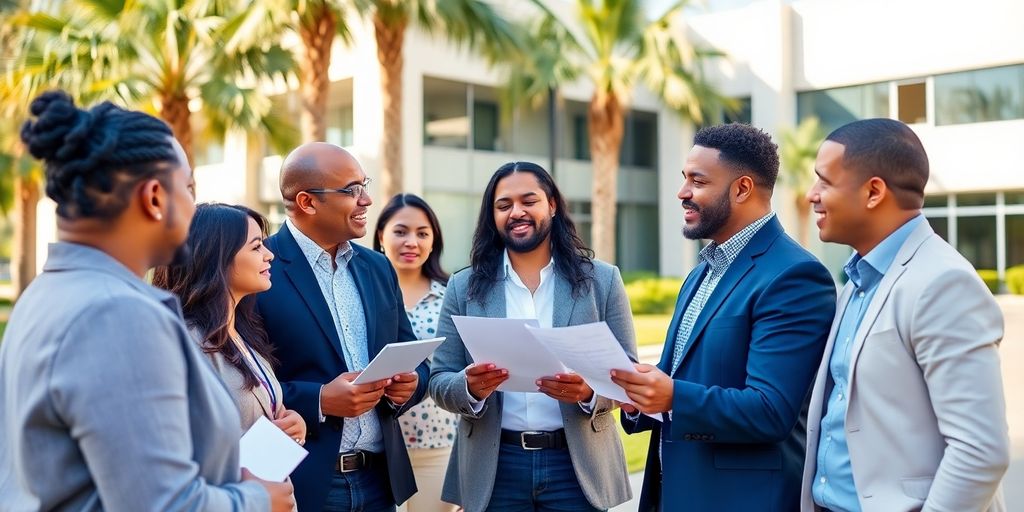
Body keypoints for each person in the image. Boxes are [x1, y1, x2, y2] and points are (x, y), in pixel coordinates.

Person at [0, 91, 293, 511]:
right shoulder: (118, 314)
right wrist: (256, 500)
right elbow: (162, 504)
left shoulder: (46, 295)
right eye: (188, 187)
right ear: (155, 197)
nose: (194, 205)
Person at [611, 123, 837, 511]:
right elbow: (676, 380)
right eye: (684, 179)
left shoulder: (795, 276)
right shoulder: (701, 272)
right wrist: (637, 399)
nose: (683, 193)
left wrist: (672, 396)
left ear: (742, 188)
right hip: (673, 495)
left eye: (697, 181)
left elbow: (770, 411)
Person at [800, 118, 1010, 512]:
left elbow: (980, 450)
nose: (812, 195)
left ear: (873, 191)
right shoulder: (858, 280)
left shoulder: (942, 283)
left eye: (824, 182)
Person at [429, 161, 637, 512]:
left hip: (576, 465)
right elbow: (439, 380)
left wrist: (588, 392)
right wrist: (470, 388)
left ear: (552, 205)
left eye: (529, 200)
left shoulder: (602, 281)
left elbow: (629, 374)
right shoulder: (464, 287)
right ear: (492, 216)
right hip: (496, 467)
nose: (517, 212)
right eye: (504, 205)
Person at [255, 142, 429, 512]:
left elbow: (413, 356)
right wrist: (319, 400)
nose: (366, 200)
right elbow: (238, 384)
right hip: (303, 481)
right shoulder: (259, 268)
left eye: (364, 186)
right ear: (307, 202)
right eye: (352, 190)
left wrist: (410, 384)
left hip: (380, 480)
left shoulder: (378, 267)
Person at [153, 203, 306, 443]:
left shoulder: (242, 332)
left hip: (267, 479)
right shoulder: (185, 342)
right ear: (217, 258)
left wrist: (293, 425)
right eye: (256, 247)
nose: (269, 254)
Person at [373, 194, 458, 512]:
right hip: (378, 447)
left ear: (434, 240)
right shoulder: (361, 291)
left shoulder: (451, 296)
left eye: (422, 233)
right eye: (401, 231)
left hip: (438, 445)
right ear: (381, 235)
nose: (412, 242)